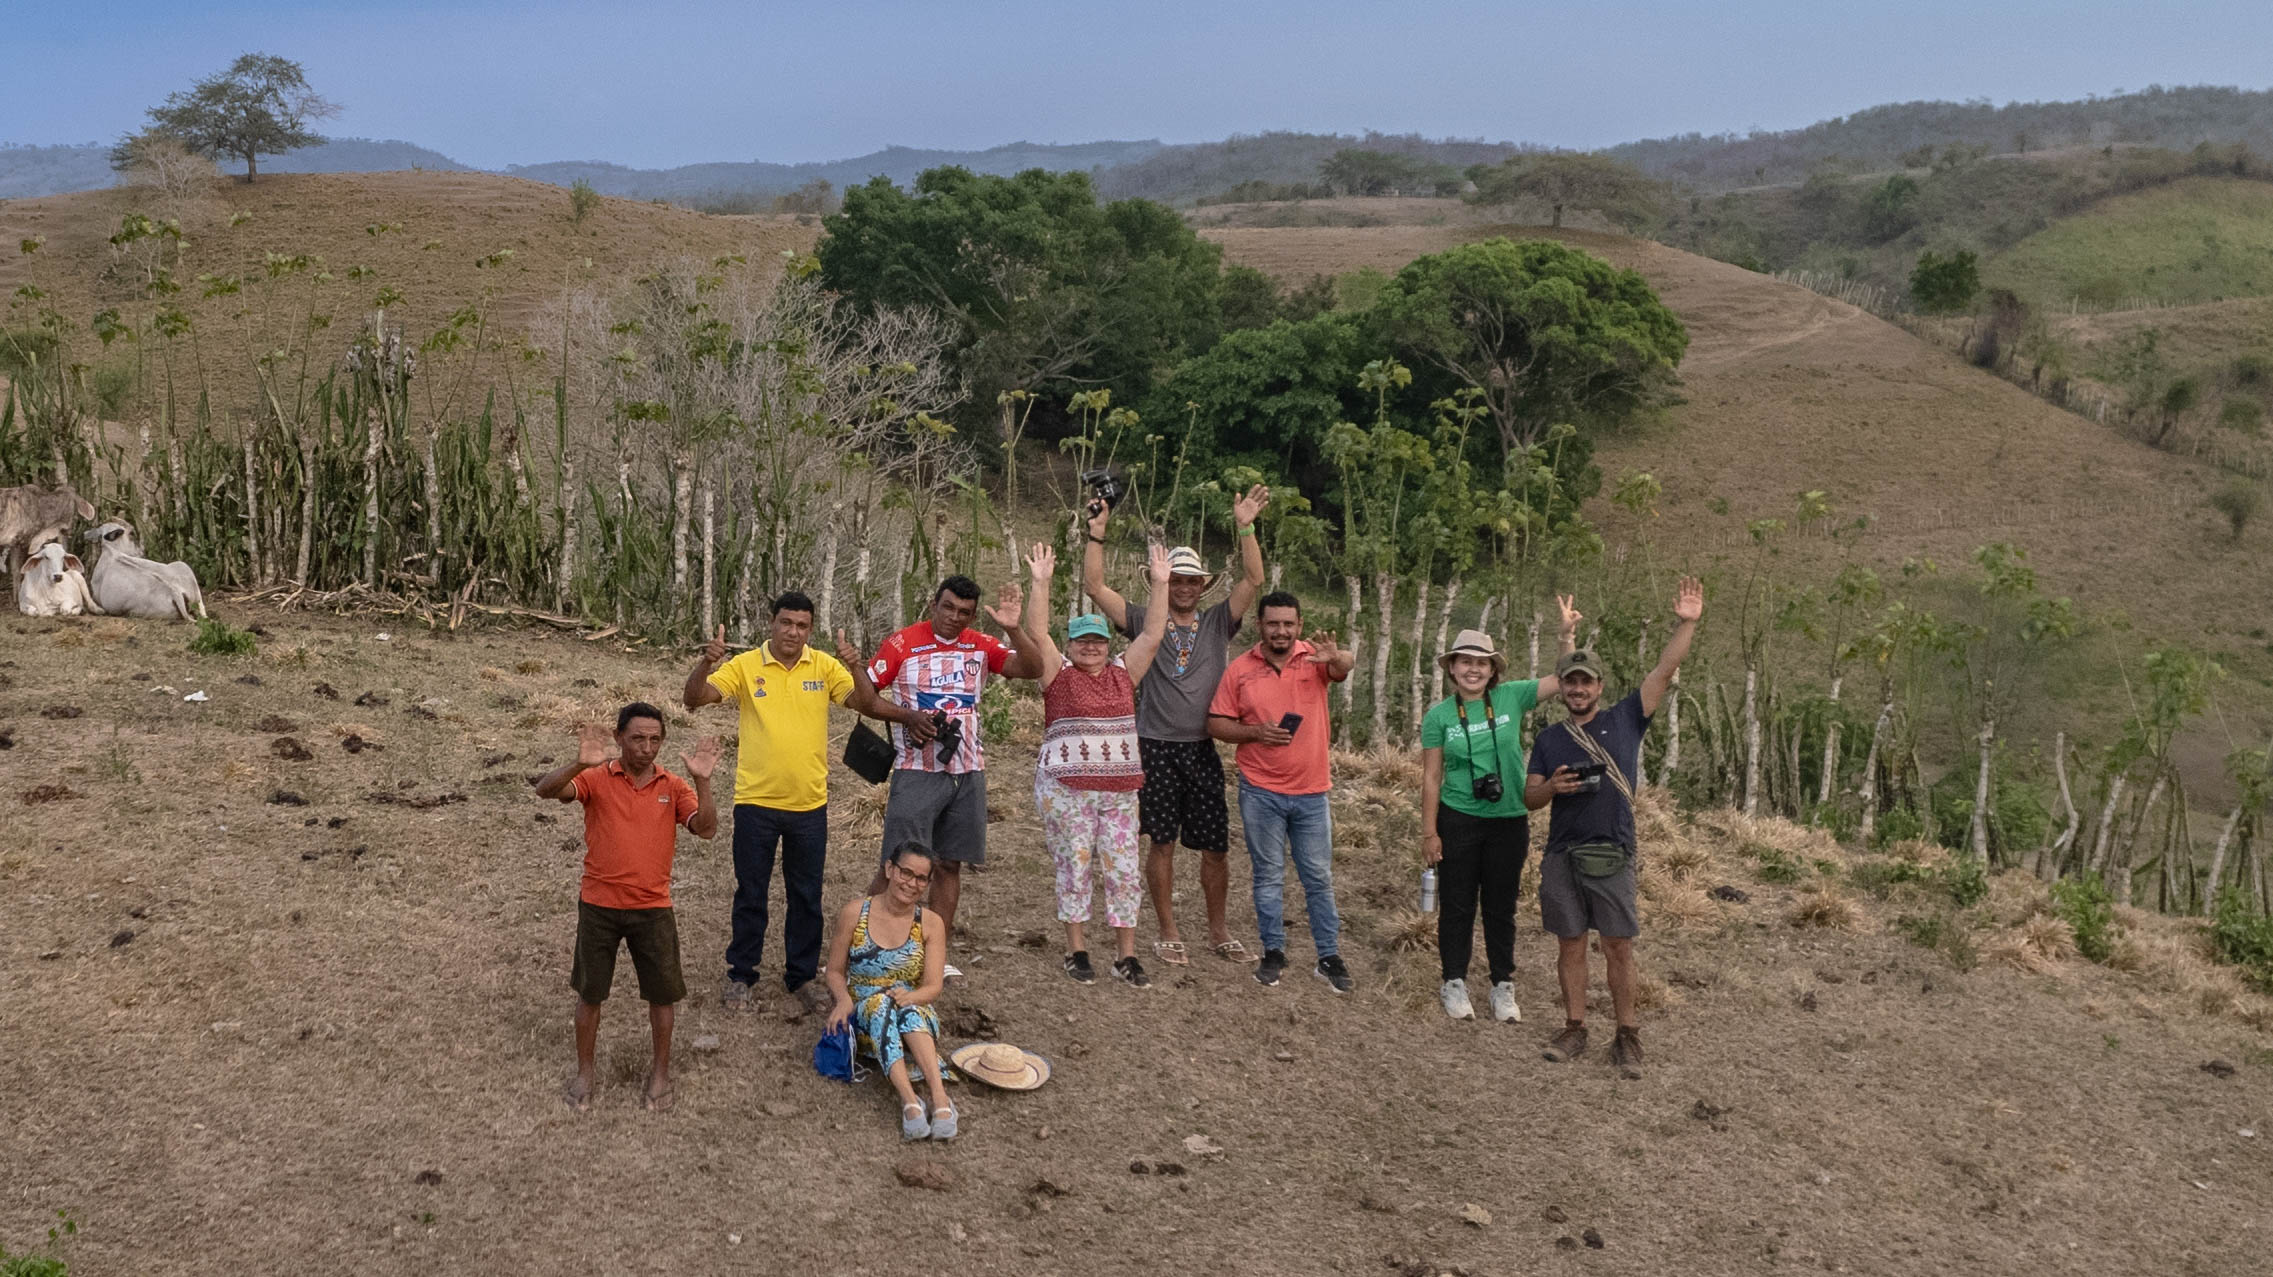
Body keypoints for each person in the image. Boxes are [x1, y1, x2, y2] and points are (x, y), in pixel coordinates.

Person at [682, 592, 934, 1015]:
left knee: (806, 894)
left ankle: (800, 976)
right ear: (772, 622)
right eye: (786, 623)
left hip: (809, 805)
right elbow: (695, 698)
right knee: (751, 892)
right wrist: (707, 662)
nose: (793, 632)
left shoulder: (823, 666)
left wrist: (855, 664)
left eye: (802, 626)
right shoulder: (745, 666)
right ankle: (741, 974)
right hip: (755, 801)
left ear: (810, 630)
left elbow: (866, 703)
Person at [1082, 483, 1271, 967]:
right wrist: (1097, 535)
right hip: (1154, 746)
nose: (1184, 587)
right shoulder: (1147, 619)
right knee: (1161, 841)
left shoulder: (1216, 623)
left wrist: (1245, 526)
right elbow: (1095, 588)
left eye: (1192, 581)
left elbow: (1253, 579)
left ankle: (1218, 929)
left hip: (1202, 746)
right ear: (1161, 581)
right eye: (1176, 579)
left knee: (1215, 847)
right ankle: (1167, 929)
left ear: (1203, 586)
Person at [1524, 577, 1703, 1078]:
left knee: (1619, 945)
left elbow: (1666, 670)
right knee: (1571, 943)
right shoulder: (1549, 738)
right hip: (1562, 853)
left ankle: (1628, 1034)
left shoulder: (1627, 718)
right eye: (1571, 682)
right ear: (1563, 688)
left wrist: (1686, 622)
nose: (1578, 689)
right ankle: (1575, 1026)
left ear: (1600, 687)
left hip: (1614, 851)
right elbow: (1528, 797)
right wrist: (1552, 789)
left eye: (1587, 682)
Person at [533, 704, 722, 1113]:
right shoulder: (596, 778)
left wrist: (702, 782)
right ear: (619, 738)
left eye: (655, 739)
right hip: (599, 905)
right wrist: (577, 763)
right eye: (637, 738)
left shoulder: (673, 785)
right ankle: (586, 1072)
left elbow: (706, 830)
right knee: (590, 993)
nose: (646, 747)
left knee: (663, 995)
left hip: (653, 908)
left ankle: (660, 1074)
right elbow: (546, 790)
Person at [863, 574, 1045, 978]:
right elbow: (864, 695)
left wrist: (1014, 628)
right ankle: (867, 943)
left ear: (974, 614)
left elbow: (1033, 668)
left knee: (949, 865)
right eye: (948, 607)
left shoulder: (980, 644)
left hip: (967, 771)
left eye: (964, 612)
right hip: (916, 769)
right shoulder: (902, 643)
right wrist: (907, 716)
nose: (954, 618)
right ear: (933, 604)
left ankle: (934, 954)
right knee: (896, 862)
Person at [1012, 542, 1171, 987]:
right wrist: (1040, 582)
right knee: (1074, 865)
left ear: (1107, 644)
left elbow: (1153, 635)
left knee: (1123, 870)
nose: (1091, 648)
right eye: (1082, 640)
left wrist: (1160, 585)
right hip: (1067, 789)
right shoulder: (1057, 674)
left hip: (1120, 793)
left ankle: (1127, 955)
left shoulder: (1125, 672)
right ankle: (1076, 949)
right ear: (1070, 644)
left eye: (1098, 640)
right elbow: (1037, 634)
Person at [1420, 596, 1581, 1023]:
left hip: (1509, 818)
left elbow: (1562, 678)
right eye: (1465, 662)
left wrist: (1566, 635)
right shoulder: (1438, 716)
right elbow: (1432, 777)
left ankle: (1501, 985)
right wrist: (1429, 831)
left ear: (1493, 671)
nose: (1473, 670)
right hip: (1457, 817)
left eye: (1482, 663)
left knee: (1500, 905)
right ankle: (1453, 981)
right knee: (1456, 904)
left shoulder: (1511, 697)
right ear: (1451, 667)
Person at [1206, 591, 1356, 991]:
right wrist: (1255, 732)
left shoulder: (1316, 659)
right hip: (1260, 792)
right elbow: (1217, 723)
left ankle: (1329, 956)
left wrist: (1337, 657)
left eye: (1289, 624)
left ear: (1300, 626)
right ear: (1260, 625)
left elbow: (1344, 667)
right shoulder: (1239, 670)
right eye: (1274, 623)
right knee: (1268, 876)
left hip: (1312, 792)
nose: (1282, 631)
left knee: (1319, 878)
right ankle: (1273, 951)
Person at [825, 841, 956, 1140]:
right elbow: (834, 971)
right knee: (880, 1005)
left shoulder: (931, 923)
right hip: (865, 1012)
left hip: (913, 1008)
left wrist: (910, 997)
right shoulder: (855, 912)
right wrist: (843, 1000)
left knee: (909, 1011)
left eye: (920, 878)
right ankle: (909, 1100)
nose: (911, 883)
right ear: (889, 869)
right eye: (905, 873)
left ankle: (939, 1097)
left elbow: (933, 986)